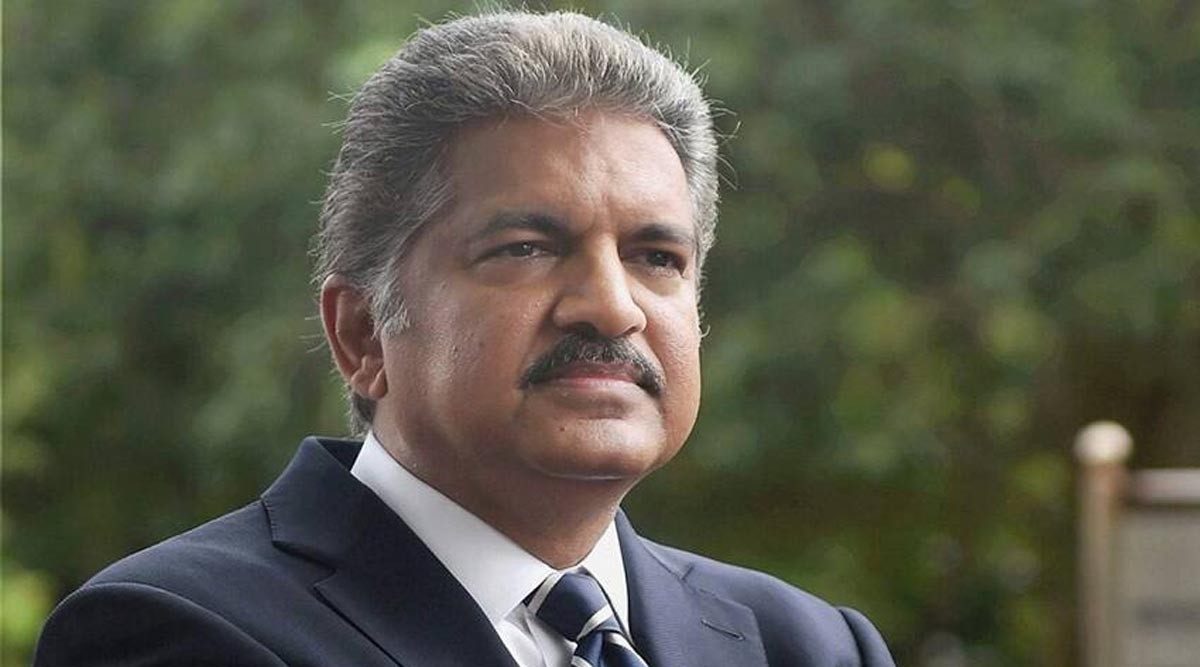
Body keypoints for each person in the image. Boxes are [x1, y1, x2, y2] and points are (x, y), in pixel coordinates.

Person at [35, 10, 895, 666]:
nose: (611, 307)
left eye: (655, 257)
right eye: (525, 248)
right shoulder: (178, 629)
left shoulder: (810, 645)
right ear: (363, 332)